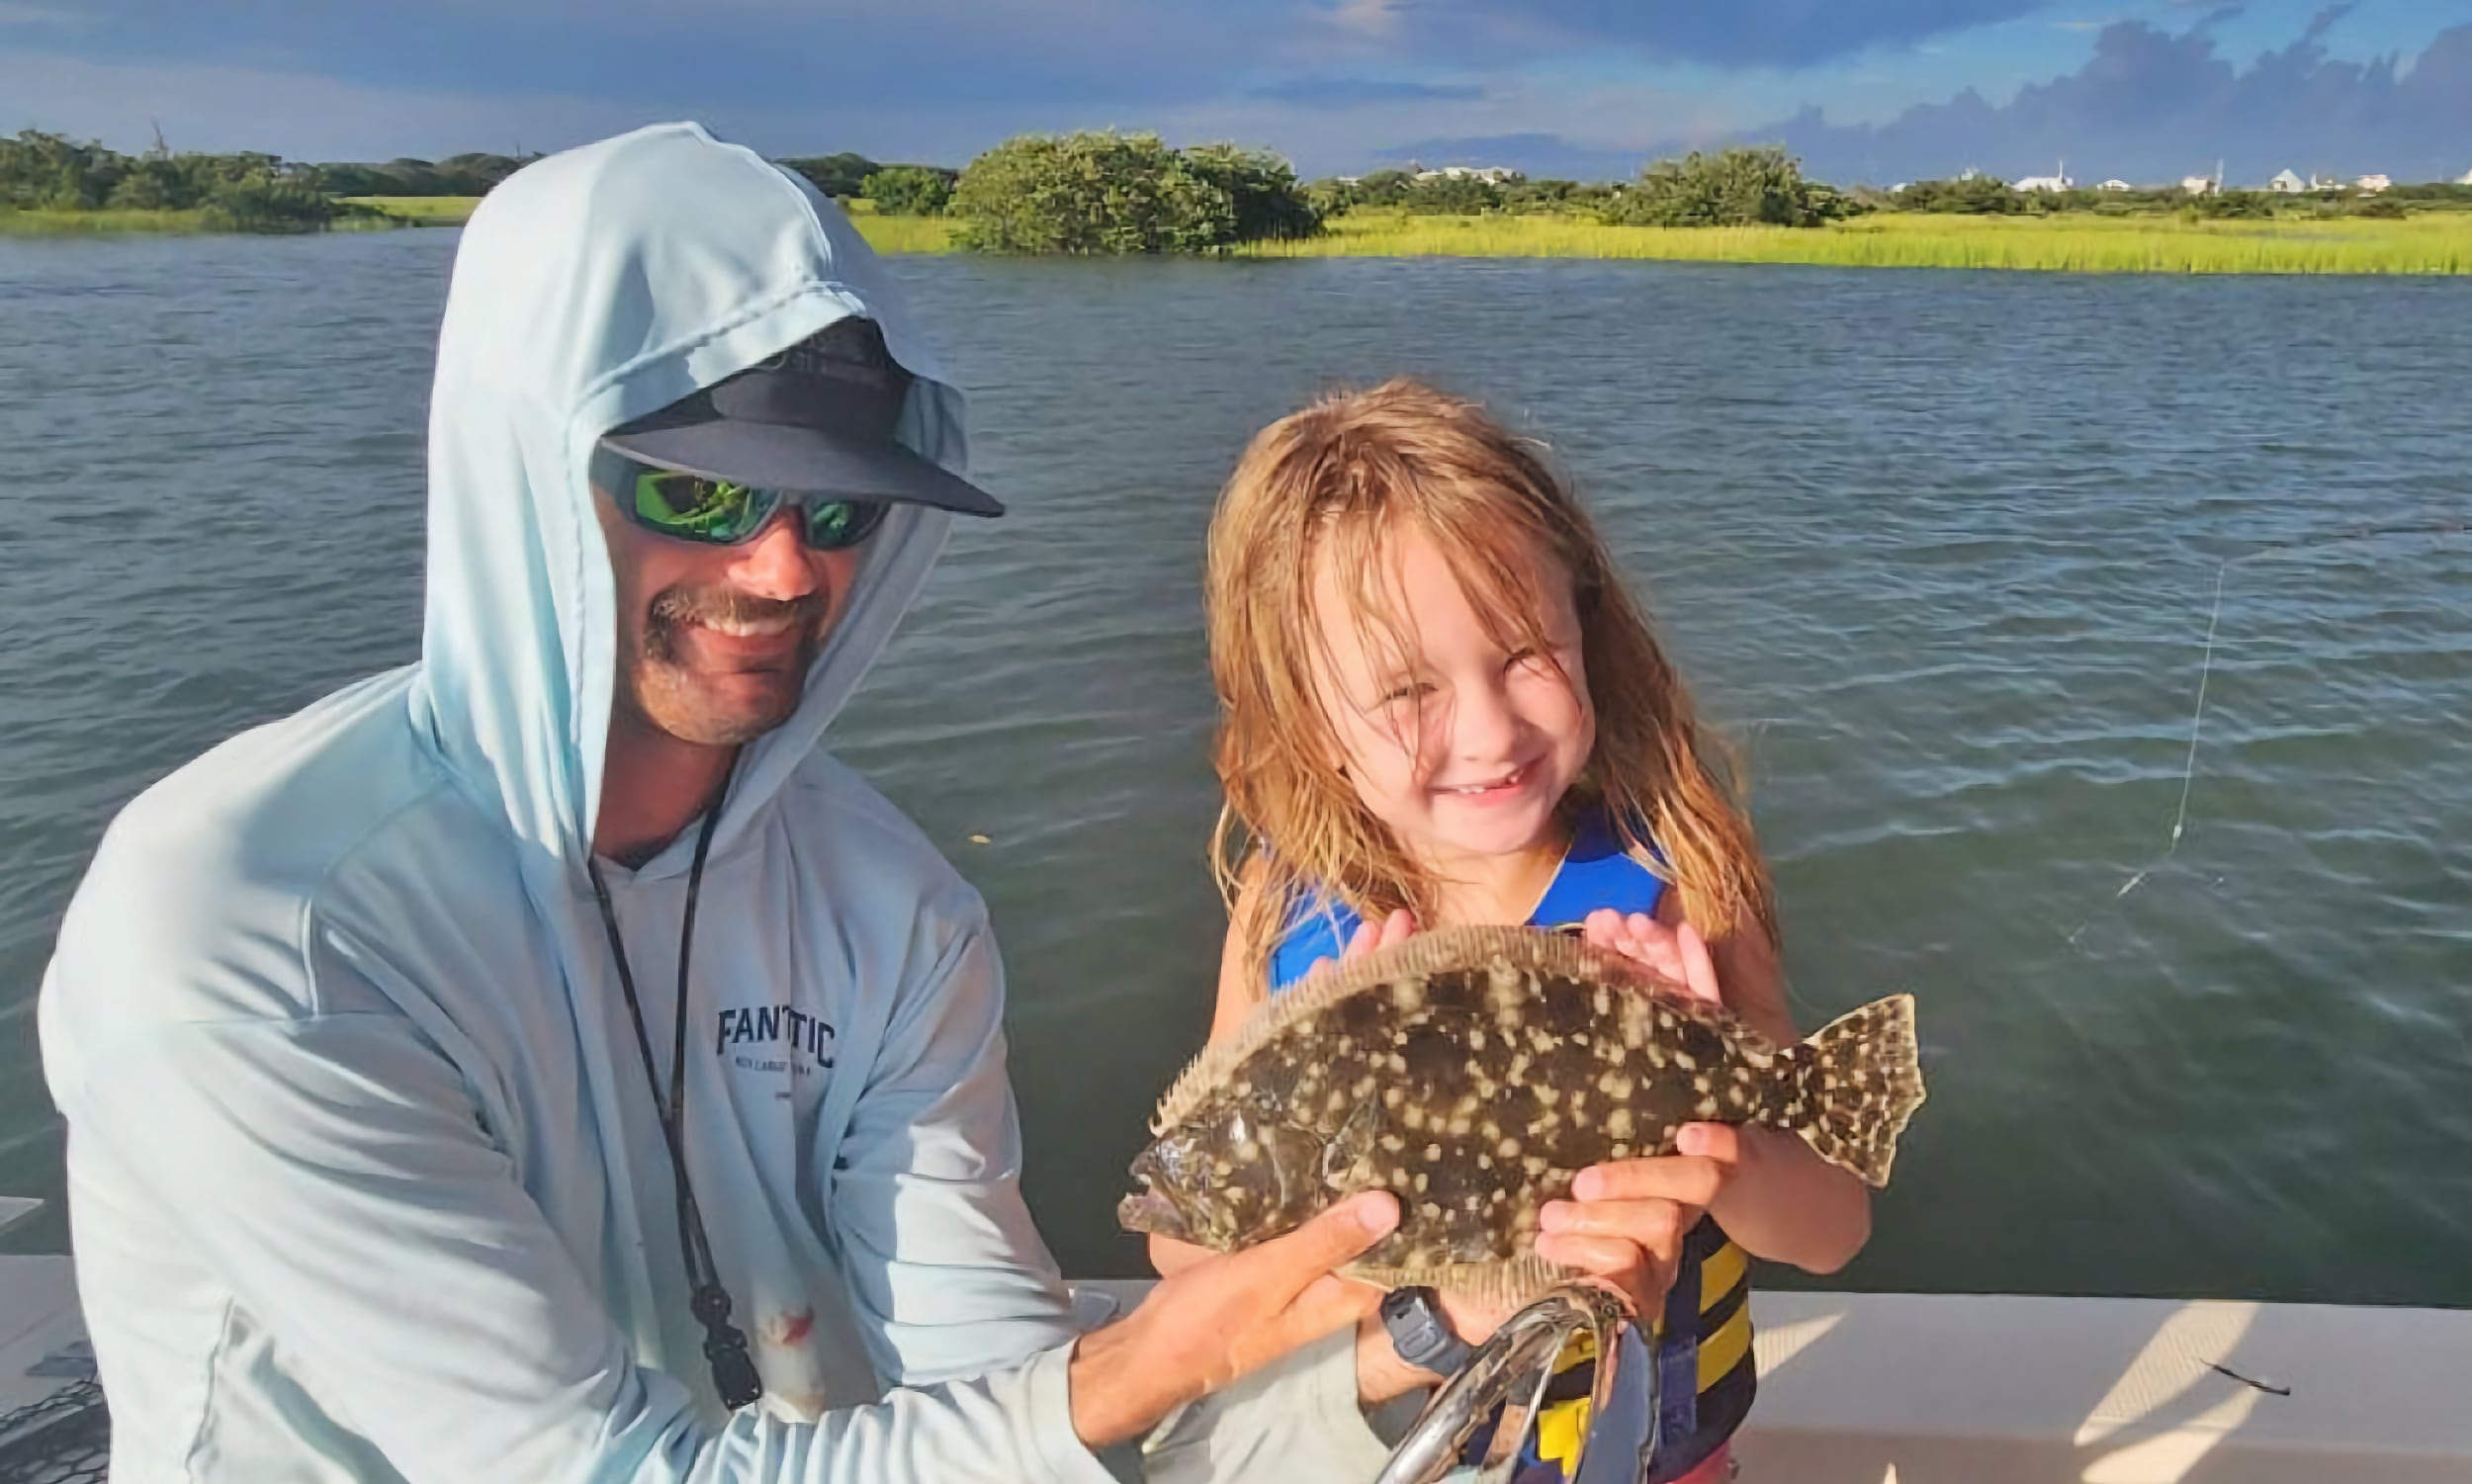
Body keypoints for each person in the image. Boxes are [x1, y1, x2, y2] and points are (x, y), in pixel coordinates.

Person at [37, 122, 1404, 1484]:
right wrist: (1141, 1365)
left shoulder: (895, 908)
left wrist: (1407, 1339)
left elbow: (988, 1379)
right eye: (698, 488)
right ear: (530, 466)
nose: (783, 570)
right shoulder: (252, 928)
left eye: (836, 511)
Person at [1155, 380, 1875, 1481]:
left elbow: (1831, 1227)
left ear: (1586, 623)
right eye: (1406, 690)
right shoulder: (1281, 914)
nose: (1488, 731)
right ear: (1306, 714)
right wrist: (1346, 1173)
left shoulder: (1678, 875)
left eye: (1524, 652)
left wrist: (1705, 1144)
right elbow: (1185, 1243)